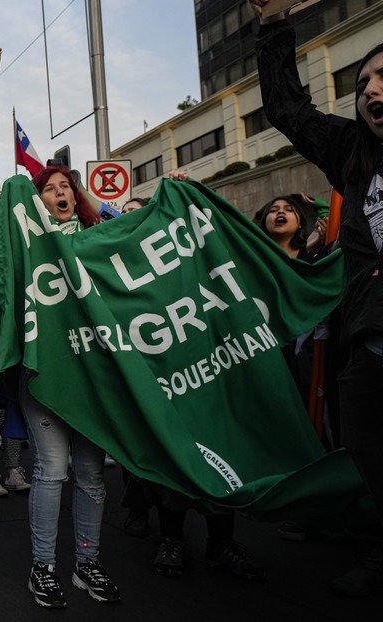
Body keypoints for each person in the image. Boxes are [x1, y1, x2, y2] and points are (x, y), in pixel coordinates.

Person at [254, 1, 383, 594]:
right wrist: (276, 25)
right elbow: (287, 109)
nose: (372, 91)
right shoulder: (350, 153)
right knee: (366, 453)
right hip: (368, 346)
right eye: (363, 84)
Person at [21, 164, 120, 609]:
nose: (61, 193)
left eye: (67, 188)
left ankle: (87, 563)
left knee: (92, 476)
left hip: (93, 377)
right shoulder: (28, 245)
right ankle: (42, 568)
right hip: (45, 375)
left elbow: (132, 227)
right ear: (37, 201)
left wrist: (92, 200)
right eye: (50, 189)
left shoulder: (99, 237)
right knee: (52, 471)